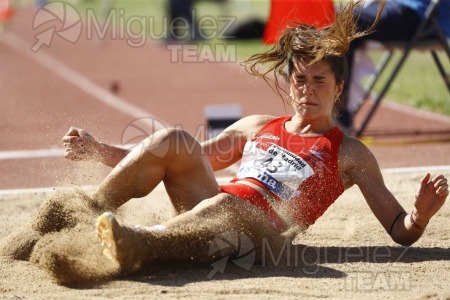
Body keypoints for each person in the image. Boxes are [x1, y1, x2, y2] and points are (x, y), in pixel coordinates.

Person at [58, 0, 449, 276]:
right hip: (212, 217)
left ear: (339, 88)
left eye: (319, 81)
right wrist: (99, 150)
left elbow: (399, 230)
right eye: (300, 80)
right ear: (290, 83)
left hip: (264, 240)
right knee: (177, 140)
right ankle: (82, 215)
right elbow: (192, 160)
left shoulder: (350, 153)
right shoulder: (258, 125)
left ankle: (140, 241)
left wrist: (419, 216)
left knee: (235, 205)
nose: (307, 91)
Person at [338, 0, 450, 130]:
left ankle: (339, 115)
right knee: (332, 17)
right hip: (396, 5)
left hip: (419, 13)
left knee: (347, 22)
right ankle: (334, 111)